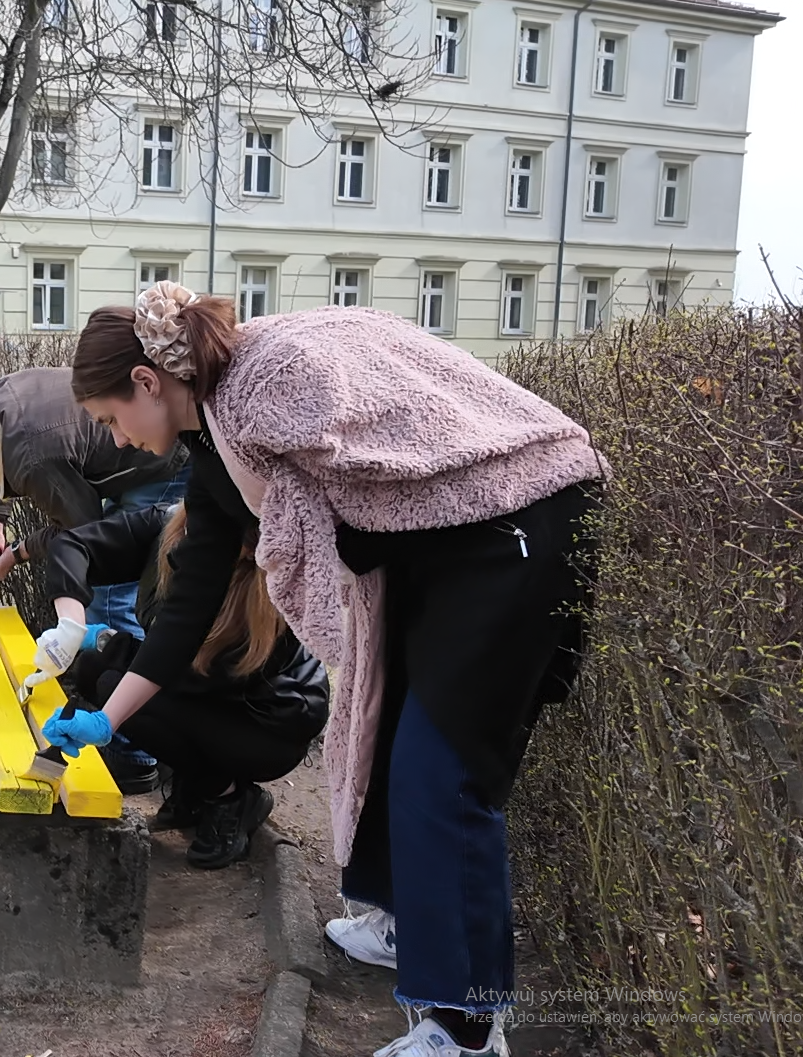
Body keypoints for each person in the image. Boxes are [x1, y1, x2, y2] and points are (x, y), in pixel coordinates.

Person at [44, 283, 607, 1056]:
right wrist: (110, 719)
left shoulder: (266, 382)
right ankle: (405, 925)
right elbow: (189, 604)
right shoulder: (216, 441)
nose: (119, 440)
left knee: (443, 774)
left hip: (512, 518)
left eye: (112, 419)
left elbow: (409, 417)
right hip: (450, 545)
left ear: (147, 381)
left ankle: (466, 1028)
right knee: (385, 736)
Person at [0, 365, 188, 792]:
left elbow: (87, 537)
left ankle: (133, 755)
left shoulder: (35, 460)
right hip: (131, 448)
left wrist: (22, 551)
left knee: (111, 597)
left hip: (163, 461)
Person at [39, 503, 328, 868]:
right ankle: (196, 784)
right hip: (202, 690)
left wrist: (109, 650)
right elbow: (73, 546)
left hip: (267, 726)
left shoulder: (272, 590)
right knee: (97, 669)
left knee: (123, 692)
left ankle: (229, 798)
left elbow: (199, 677)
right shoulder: (168, 525)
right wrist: (72, 624)